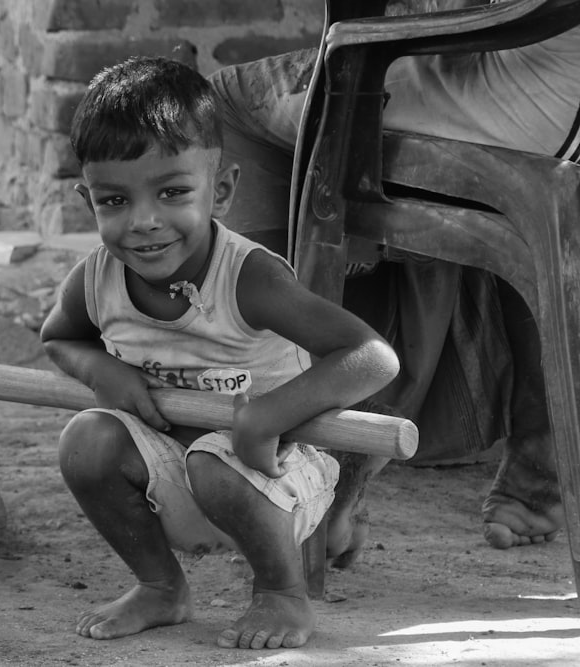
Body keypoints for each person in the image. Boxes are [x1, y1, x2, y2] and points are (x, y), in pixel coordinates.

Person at [40, 56, 400, 650]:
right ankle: (160, 587)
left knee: (216, 458)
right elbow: (59, 337)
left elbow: (371, 356)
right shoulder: (95, 279)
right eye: (114, 201)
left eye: (173, 192)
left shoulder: (248, 279)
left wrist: (268, 414)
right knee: (86, 440)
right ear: (89, 200)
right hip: (173, 473)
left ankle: (283, 591)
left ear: (222, 189)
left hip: (273, 471)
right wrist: (101, 368)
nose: (144, 223)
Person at [208, 2, 577, 564]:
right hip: (558, 79)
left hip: (538, 84)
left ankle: (320, 476)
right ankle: (540, 465)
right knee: (359, 119)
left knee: (223, 106)